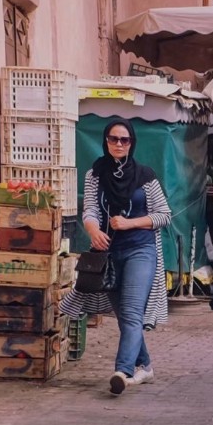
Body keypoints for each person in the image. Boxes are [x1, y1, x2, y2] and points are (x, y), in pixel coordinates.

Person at [62, 121, 172, 396]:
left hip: (140, 251)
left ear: (132, 143)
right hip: (108, 257)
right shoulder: (95, 175)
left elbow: (164, 215)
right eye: (114, 139)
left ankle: (122, 371)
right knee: (125, 316)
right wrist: (94, 230)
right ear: (106, 141)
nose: (119, 144)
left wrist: (130, 223)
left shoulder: (146, 177)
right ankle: (144, 366)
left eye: (125, 140)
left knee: (133, 312)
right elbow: (88, 209)